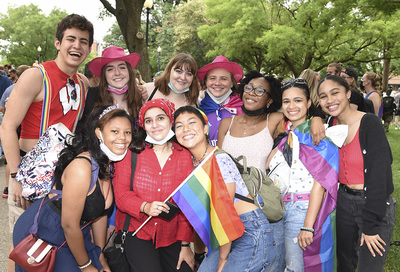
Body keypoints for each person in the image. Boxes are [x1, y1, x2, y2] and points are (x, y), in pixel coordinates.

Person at [0, 14, 93, 272]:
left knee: (52, 240)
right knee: (21, 242)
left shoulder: (83, 83)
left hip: (63, 173)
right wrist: (17, 176)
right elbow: (7, 127)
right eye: (70, 39)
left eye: (83, 41)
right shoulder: (36, 75)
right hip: (29, 171)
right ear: (57, 43)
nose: (77, 46)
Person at [13, 105, 133, 271]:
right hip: (46, 232)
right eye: (115, 131)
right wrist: (86, 266)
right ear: (99, 133)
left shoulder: (107, 164)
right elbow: (69, 224)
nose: (123, 137)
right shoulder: (82, 167)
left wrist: (99, 255)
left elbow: (99, 215)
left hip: (76, 232)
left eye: (127, 132)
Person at [174, 106, 276, 272]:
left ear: (206, 128)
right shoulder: (195, 164)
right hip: (225, 234)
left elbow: (224, 211)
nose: (186, 129)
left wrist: (223, 258)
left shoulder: (219, 159)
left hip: (248, 231)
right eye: (179, 126)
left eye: (192, 123)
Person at [318, 75, 395, 272]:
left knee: (369, 267)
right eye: (323, 96)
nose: (330, 100)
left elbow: (380, 176)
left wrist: (370, 226)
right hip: (344, 203)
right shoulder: (330, 124)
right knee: (344, 264)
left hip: (372, 204)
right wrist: (316, 119)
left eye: (335, 93)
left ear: (348, 94)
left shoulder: (369, 123)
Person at [113, 99, 194, 272]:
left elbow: (188, 203)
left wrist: (185, 245)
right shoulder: (131, 152)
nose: (155, 125)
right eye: (148, 121)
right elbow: (120, 195)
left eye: (160, 118)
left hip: (171, 235)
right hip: (137, 231)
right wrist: (145, 206)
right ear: (143, 125)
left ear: (170, 120)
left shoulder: (185, 155)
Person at [266, 78, 338, 271]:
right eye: (286, 101)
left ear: (308, 103)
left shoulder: (318, 137)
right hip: (280, 209)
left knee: (296, 267)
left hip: (302, 210)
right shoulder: (286, 134)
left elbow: (320, 185)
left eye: (298, 100)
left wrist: (307, 226)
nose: (291, 106)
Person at [85, 46, 146, 122]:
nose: (117, 73)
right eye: (110, 69)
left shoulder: (140, 98)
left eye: (122, 67)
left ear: (129, 71)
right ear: (104, 74)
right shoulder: (91, 97)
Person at [198, 55, 244, 146]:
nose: (217, 83)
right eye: (212, 78)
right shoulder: (198, 110)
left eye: (224, 78)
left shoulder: (243, 109)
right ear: (206, 82)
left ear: (232, 83)